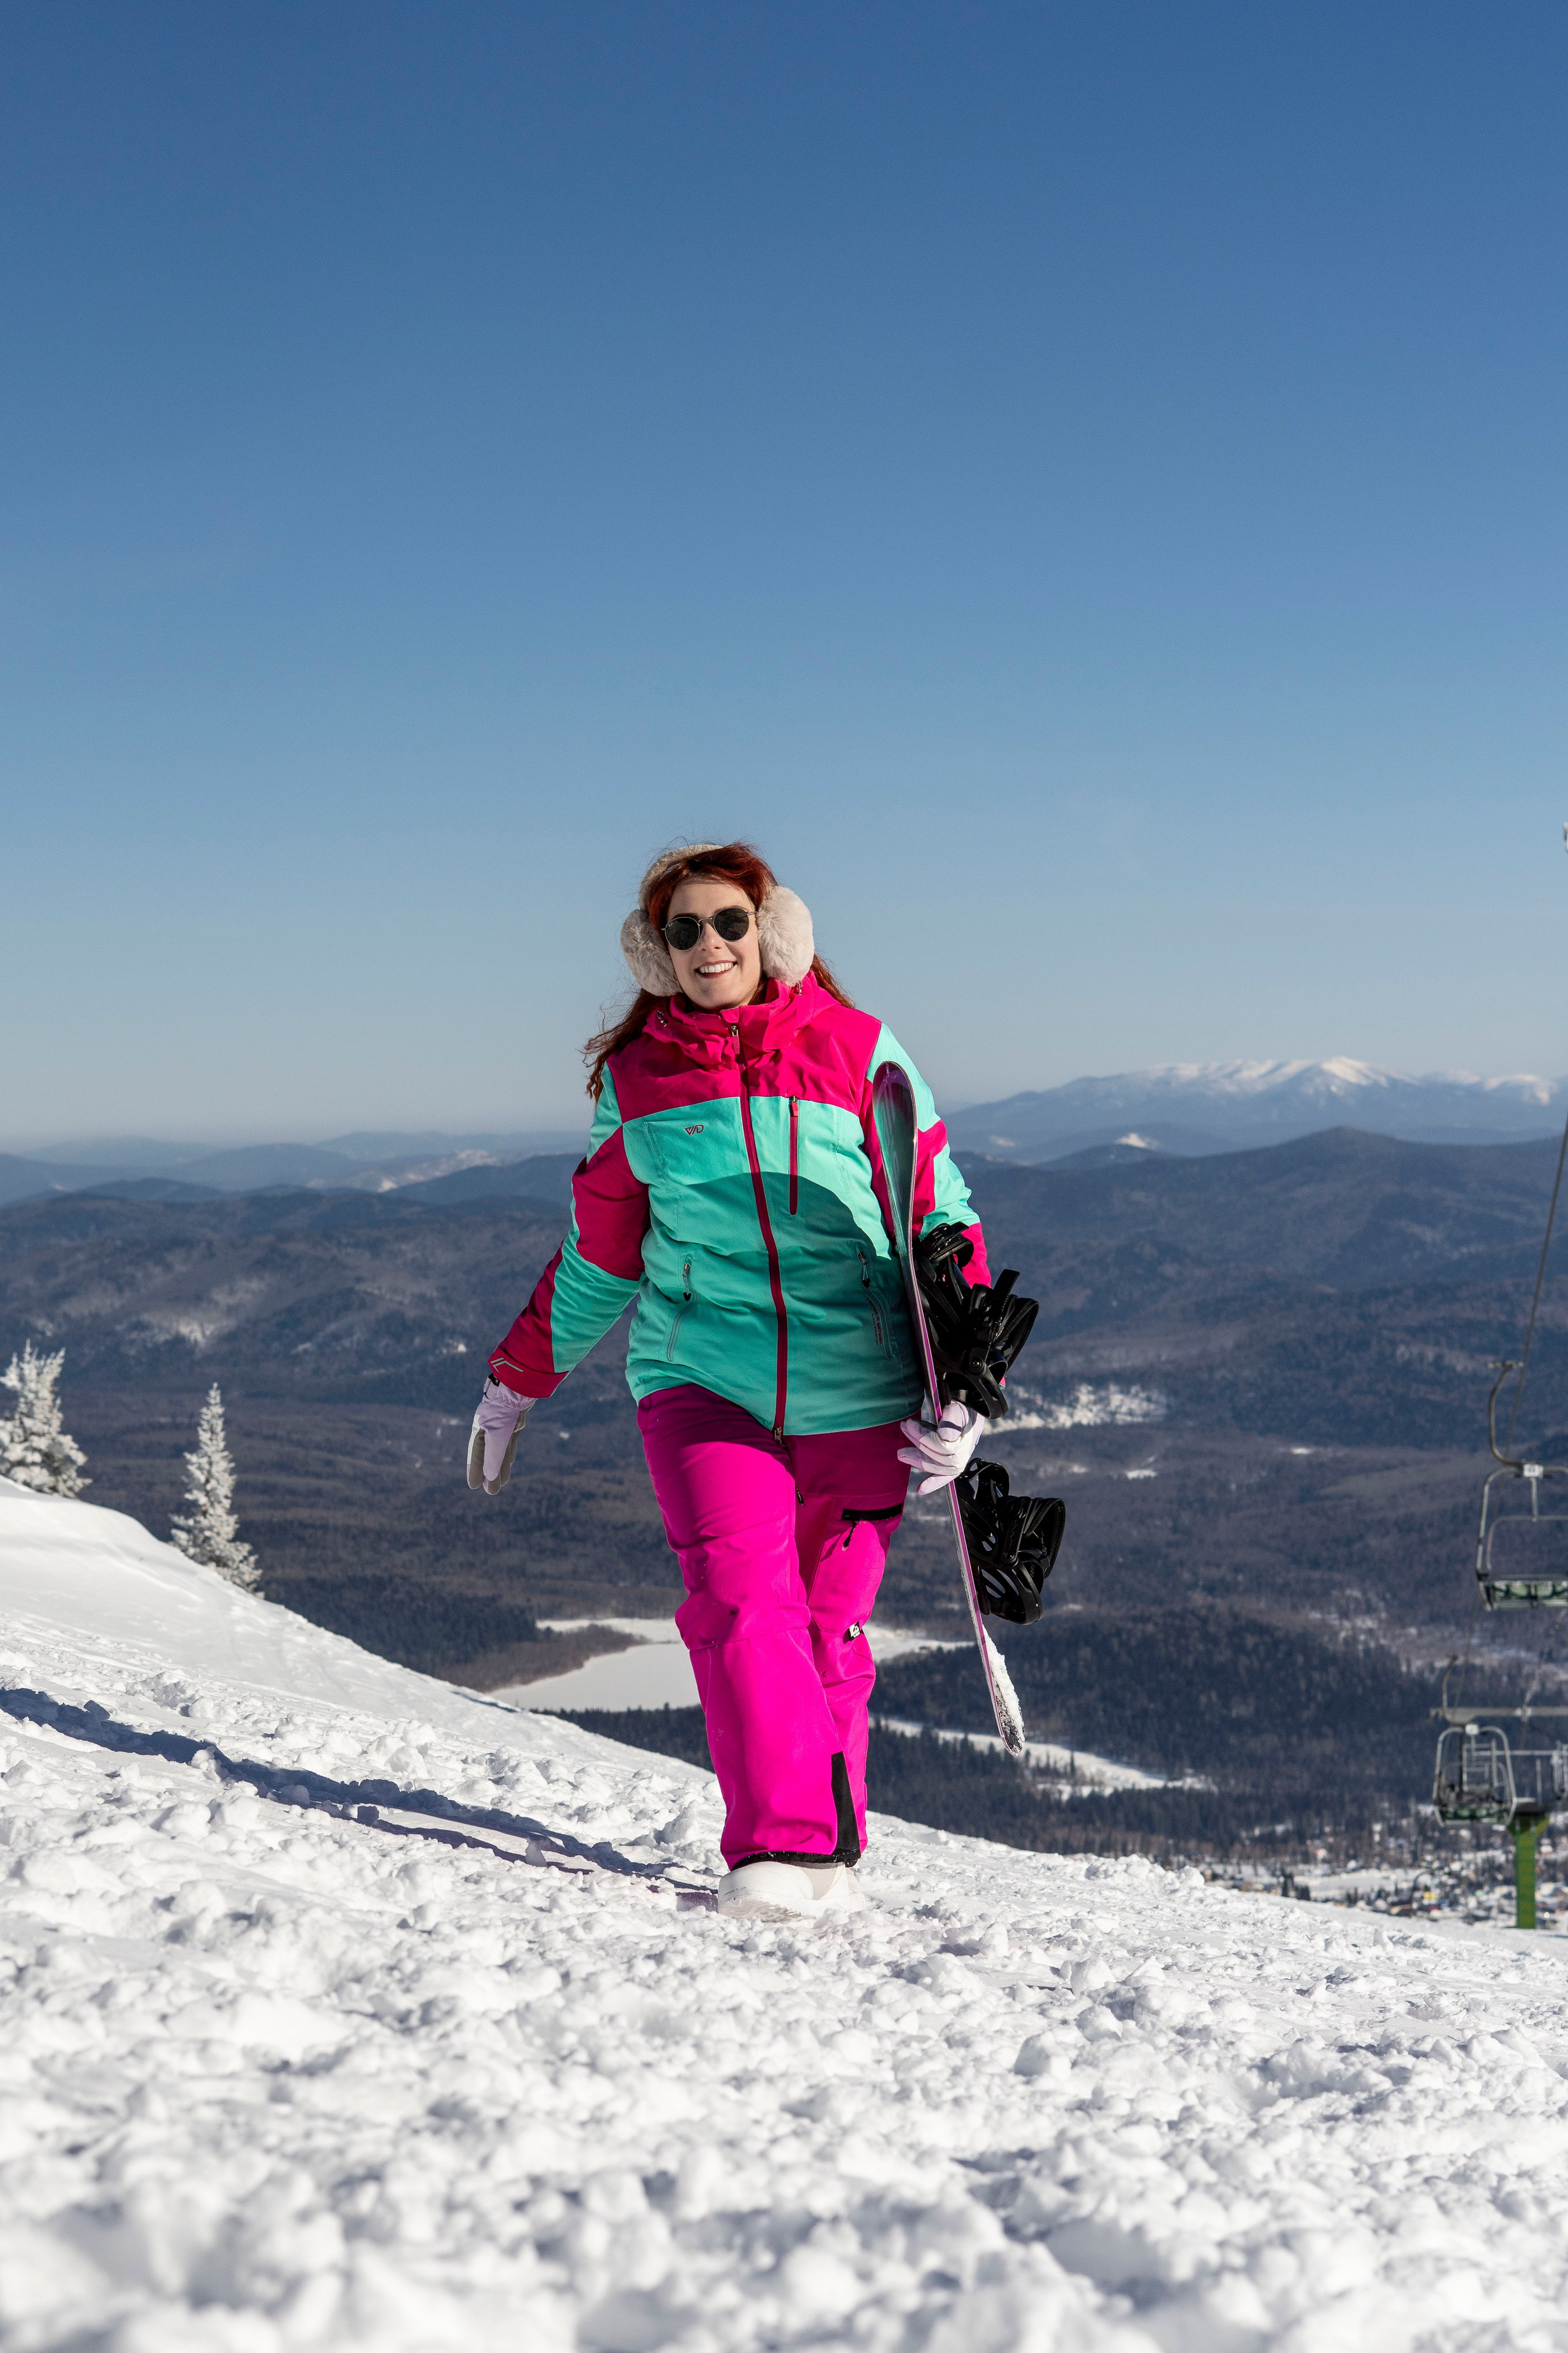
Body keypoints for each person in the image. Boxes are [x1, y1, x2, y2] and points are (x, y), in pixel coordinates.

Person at [467, 841, 990, 1921]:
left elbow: (944, 1218)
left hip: (862, 1388)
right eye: (684, 931)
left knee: (825, 1629)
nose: (710, 945)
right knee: (742, 1603)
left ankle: (830, 1839)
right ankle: (785, 1851)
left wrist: (968, 1388)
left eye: (728, 924)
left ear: (773, 930)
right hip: (702, 1376)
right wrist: (517, 1381)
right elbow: (601, 1257)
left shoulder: (859, 1053)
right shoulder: (640, 1080)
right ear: (656, 954)